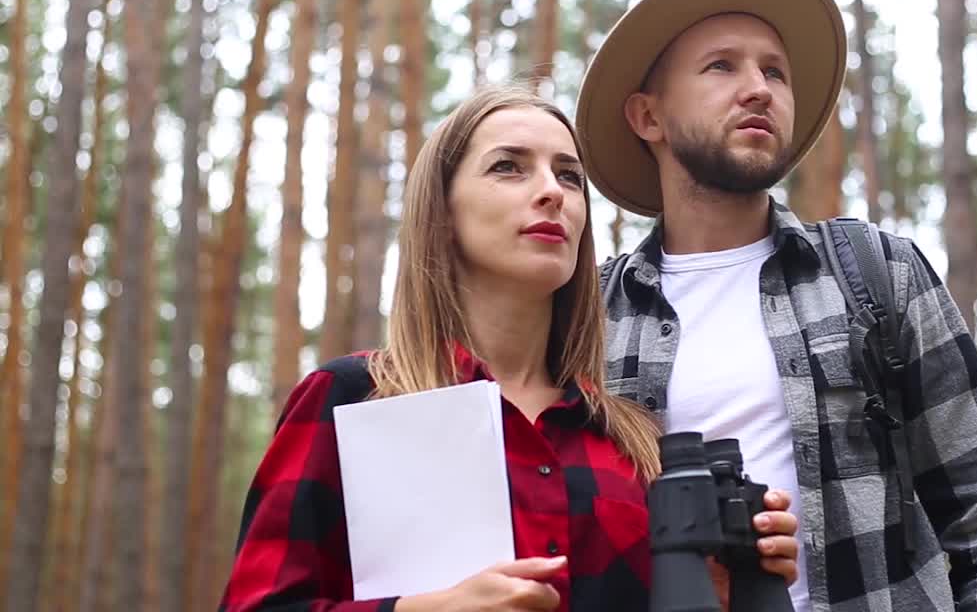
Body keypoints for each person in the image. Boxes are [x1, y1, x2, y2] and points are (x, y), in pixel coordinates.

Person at [576, 0, 977, 611]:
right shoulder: (591, 316)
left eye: (774, 70)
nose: (759, 89)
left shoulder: (875, 273)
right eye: (722, 66)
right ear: (647, 117)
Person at [218, 86, 800, 612]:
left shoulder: (632, 443)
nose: (552, 192)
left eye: (569, 177)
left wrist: (726, 592)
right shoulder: (354, 401)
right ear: (442, 213)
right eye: (509, 168)